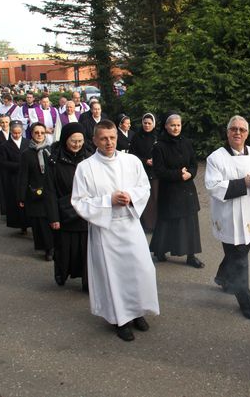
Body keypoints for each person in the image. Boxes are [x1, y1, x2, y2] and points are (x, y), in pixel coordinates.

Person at [71, 119, 159, 342]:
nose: (109, 142)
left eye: (112, 138)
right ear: (94, 140)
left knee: (140, 270)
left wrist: (130, 197)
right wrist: (107, 200)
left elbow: (144, 187)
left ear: (117, 137)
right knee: (115, 277)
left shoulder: (131, 161)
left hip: (130, 224)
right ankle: (121, 319)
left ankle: (138, 311)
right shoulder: (85, 167)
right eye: (103, 138)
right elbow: (79, 201)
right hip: (105, 229)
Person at [205, 115, 250, 320]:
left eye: (242, 130)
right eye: (233, 129)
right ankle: (246, 301)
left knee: (239, 253)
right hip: (228, 216)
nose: (237, 133)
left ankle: (222, 277)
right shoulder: (215, 158)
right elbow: (213, 186)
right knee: (240, 260)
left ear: (247, 133)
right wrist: (242, 183)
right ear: (227, 132)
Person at [150, 113, 205, 268]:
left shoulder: (187, 143)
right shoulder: (159, 146)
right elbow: (159, 171)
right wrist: (180, 175)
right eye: (172, 125)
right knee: (166, 224)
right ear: (166, 126)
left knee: (190, 224)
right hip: (170, 191)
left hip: (187, 190)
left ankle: (191, 256)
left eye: (178, 125)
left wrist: (190, 174)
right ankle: (160, 250)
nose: (176, 128)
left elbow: (194, 164)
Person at [48, 122, 91, 291]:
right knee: (66, 250)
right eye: (73, 141)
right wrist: (53, 217)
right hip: (65, 212)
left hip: (86, 212)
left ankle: (88, 282)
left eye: (80, 141)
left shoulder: (89, 157)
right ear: (65, 139)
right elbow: (50, 191)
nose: (77, 145)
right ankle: (62, 272)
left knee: (87, 251)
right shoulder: (54, 160)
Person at [17, 122, 55, 261]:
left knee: (51, 220)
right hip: (35, 193)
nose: (39, 135)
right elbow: (23, 177)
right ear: (31, 134)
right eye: (36, 132)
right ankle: (47, 248)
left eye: (42, 132)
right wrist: (21, 196)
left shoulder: (51, 151)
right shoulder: (26, 154)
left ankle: (53, 245)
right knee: (40, 223)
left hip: (51, 191)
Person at [129, 113, 158, 232]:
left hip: (156, 172)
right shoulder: (136, 137)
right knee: (143, 197)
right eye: (145, 123)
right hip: (141, 171)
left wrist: (155, 160)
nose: (146, 125)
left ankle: (155, 224)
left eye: (149, 123)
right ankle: (145, 225)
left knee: (155, 198)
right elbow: (132, 155)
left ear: (153, 124)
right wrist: (145, 161)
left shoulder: (158, 137)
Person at [0, 121, 29, 233]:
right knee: (15, 201)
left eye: (19, 133)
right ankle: (19, 224)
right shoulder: (5, 146)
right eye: (14, 133)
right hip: (13, 177)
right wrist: (18, 166)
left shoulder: (27, 143)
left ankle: (28, 222)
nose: (16, 135)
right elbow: (2, 162)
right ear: (11, 132)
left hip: (26, 177)